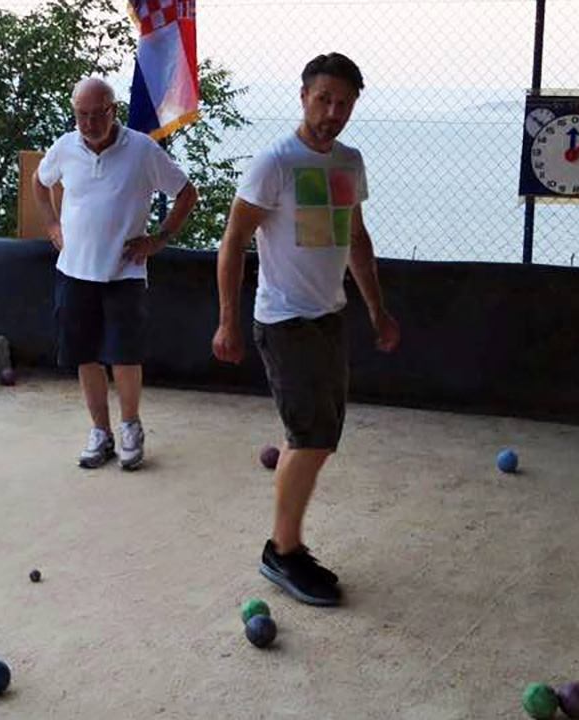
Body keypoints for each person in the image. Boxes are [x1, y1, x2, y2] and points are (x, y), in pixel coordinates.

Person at [212, 53, 400, 606]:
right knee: (310, 436)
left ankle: (286, 541)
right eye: (324, 99)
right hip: (284, 319)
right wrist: (227, 321)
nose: (333, 112)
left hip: (329, 318)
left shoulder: (349, 162)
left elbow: (355, 238)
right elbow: (233, 243)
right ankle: (283, 550)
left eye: (344, 103)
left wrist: (377, 310)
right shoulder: (275, 162)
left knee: (321, 435)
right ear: (303, 97)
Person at [33, 77, 198, 471]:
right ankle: (100, 432)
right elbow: (40, 182)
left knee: (124, 355)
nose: (90, 123)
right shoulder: (64, 147)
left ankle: (130, 427)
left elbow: (186, 193)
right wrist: (53, 227)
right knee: (84, 355)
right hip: (74, 271)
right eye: (82, 115)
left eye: (98, 114)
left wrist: (159, 239)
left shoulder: (142, 150)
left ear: (113, 110)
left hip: (124, 272)